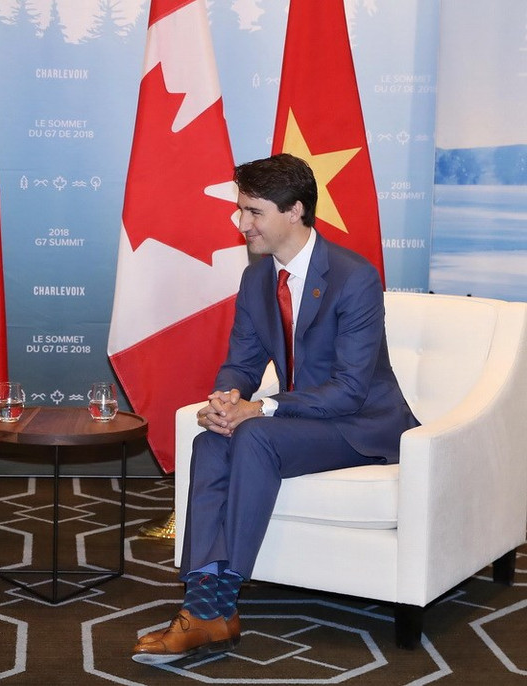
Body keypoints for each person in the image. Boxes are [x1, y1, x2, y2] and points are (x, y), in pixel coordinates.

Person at [131, 154, 419, 664]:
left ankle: (217, 603)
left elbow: (350, 390)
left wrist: (259, 408)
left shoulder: (354, 278)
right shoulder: (257, 279)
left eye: (254, 212)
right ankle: (205, 608)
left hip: (360, 426)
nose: (241, 224)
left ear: (295, 212)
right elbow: (241, 361)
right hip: (300, 423)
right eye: (241, 210)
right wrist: (224, 399)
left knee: (254, 434)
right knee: (211, 439)